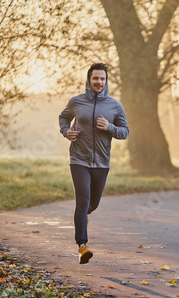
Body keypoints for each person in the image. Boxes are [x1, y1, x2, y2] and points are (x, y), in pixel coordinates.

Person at [59, 63, 129, 264]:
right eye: (95, 78)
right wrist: (66, 132)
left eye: (102, 79)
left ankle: (84, 216)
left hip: (101, 162)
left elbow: (125, 132)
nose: (99, 82)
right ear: (89, 80)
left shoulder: (115, 106)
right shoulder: (77, 102)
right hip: (79, 159)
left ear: (106, 81)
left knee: (93, 203)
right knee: (82, 201)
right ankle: (82, 246)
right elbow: (63, 118)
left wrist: (110, 127)